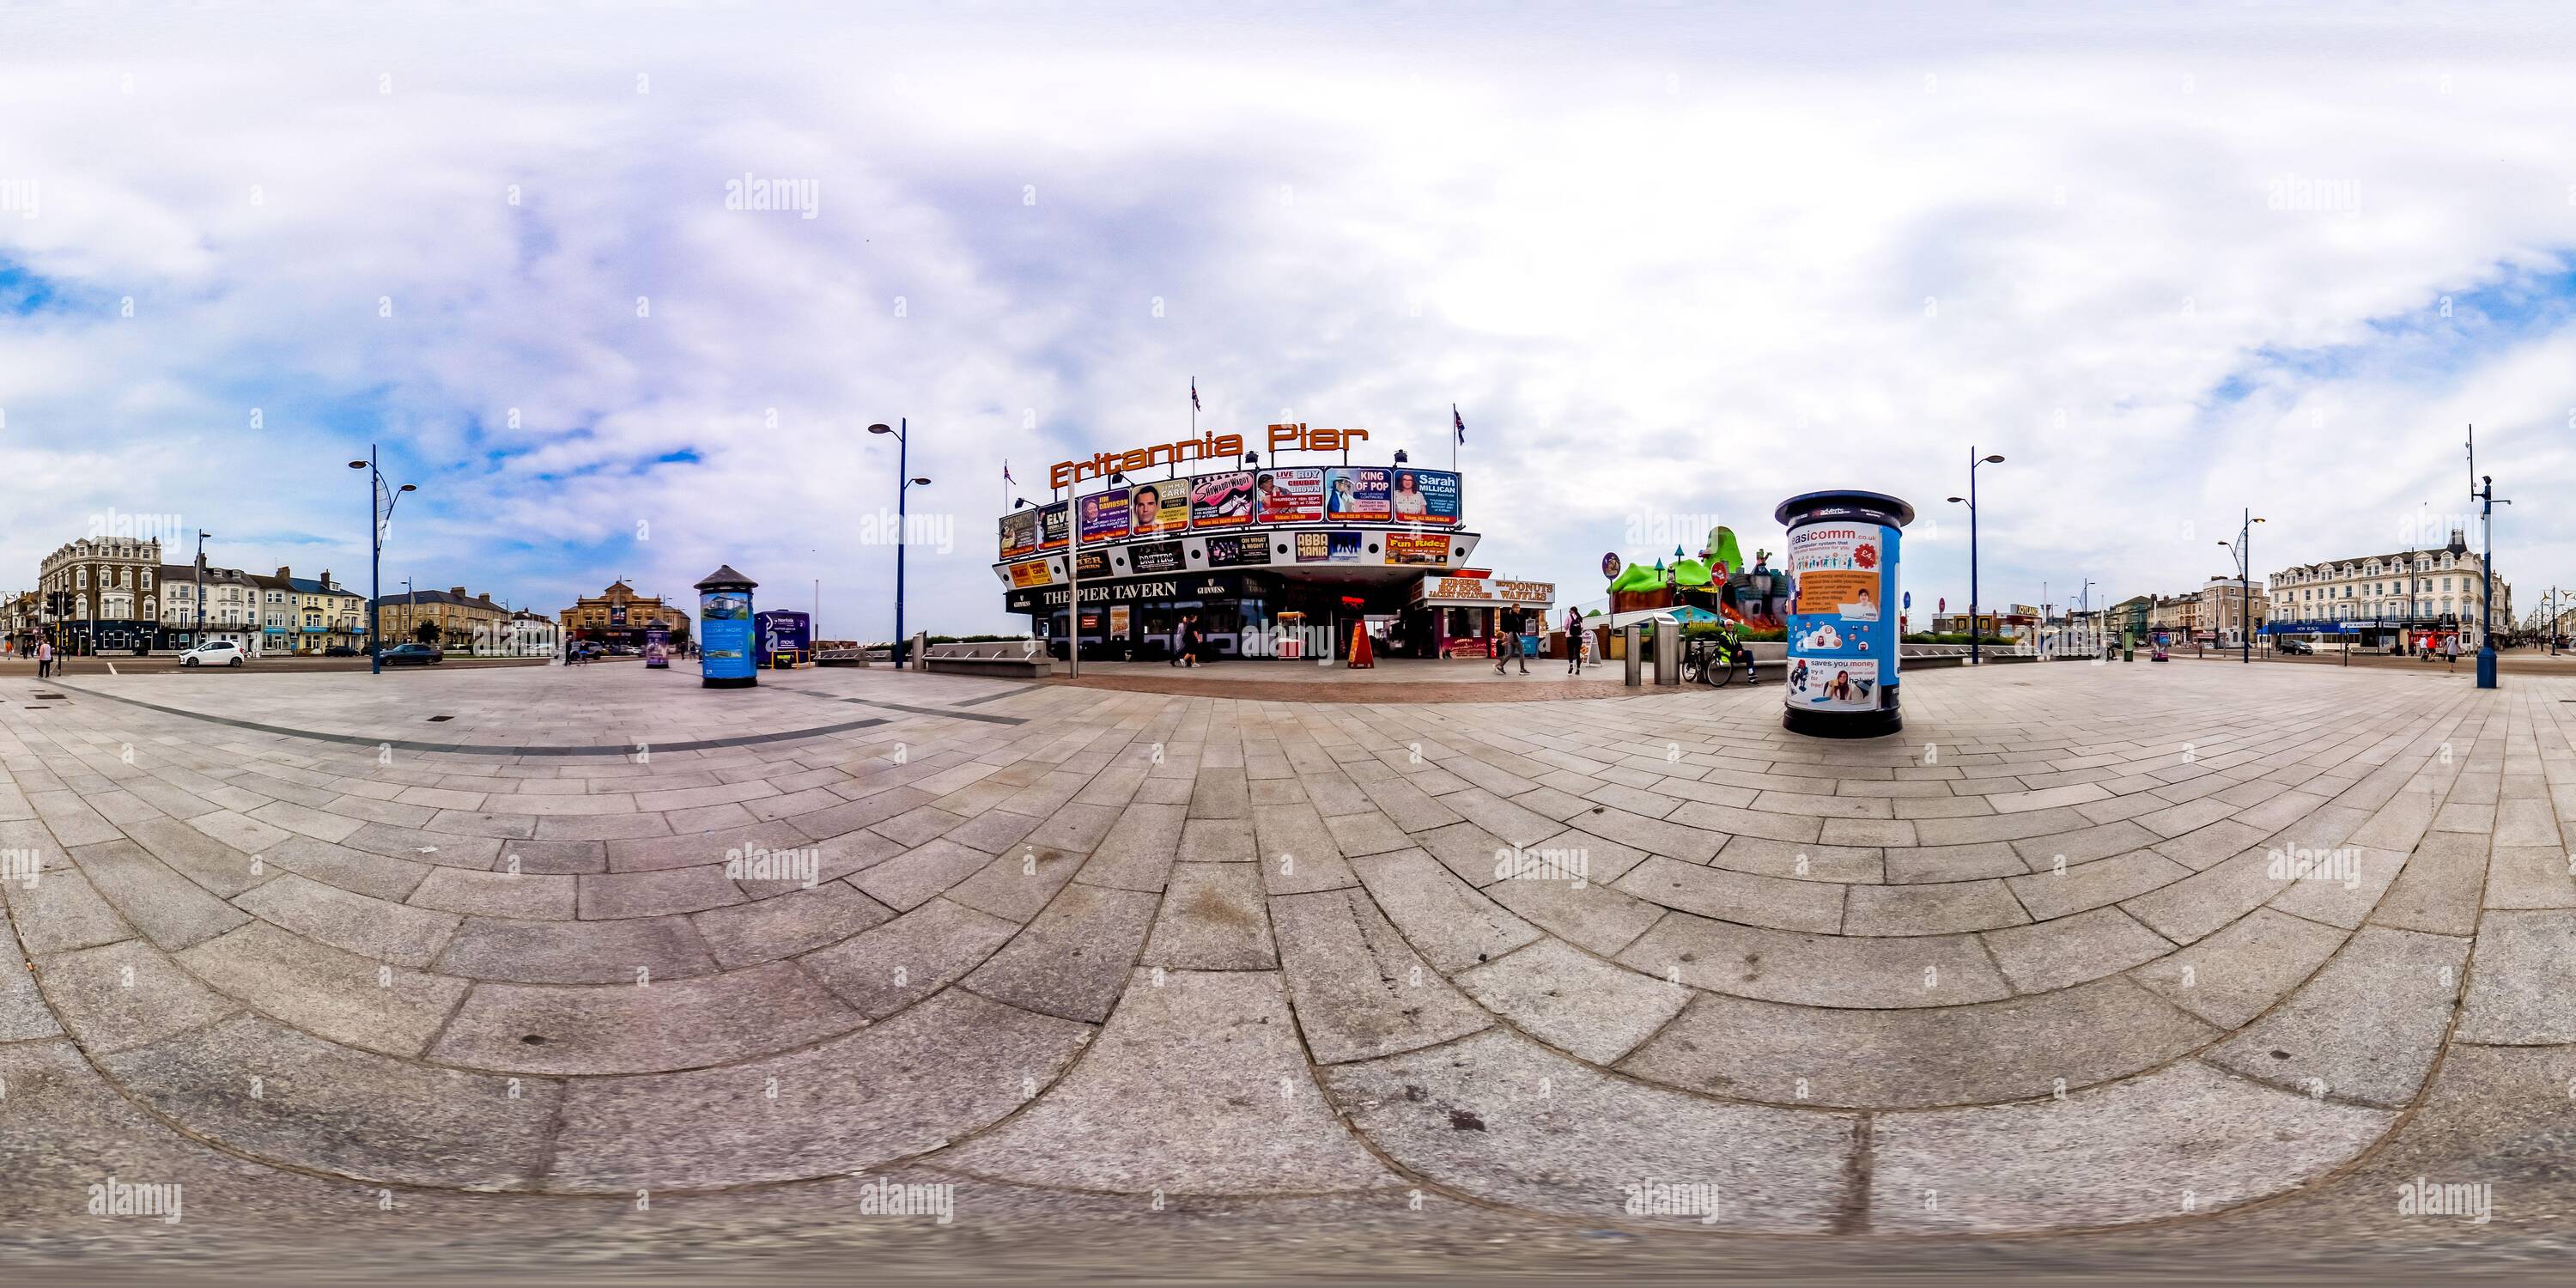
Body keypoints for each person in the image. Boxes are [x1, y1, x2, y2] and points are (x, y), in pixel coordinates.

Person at [1565, 606, 1584, 674]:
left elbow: (1565, 626)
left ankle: (1571, 664)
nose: (1569, 612)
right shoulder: (1580, 617)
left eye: (1570, 611)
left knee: (1570, 652)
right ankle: (1578, 669)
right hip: (1579, 637)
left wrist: (1569, 629)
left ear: (1572, 611)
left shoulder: (1568, 617)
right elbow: (1582, 627)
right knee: (1577, 653)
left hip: (1570, 636)